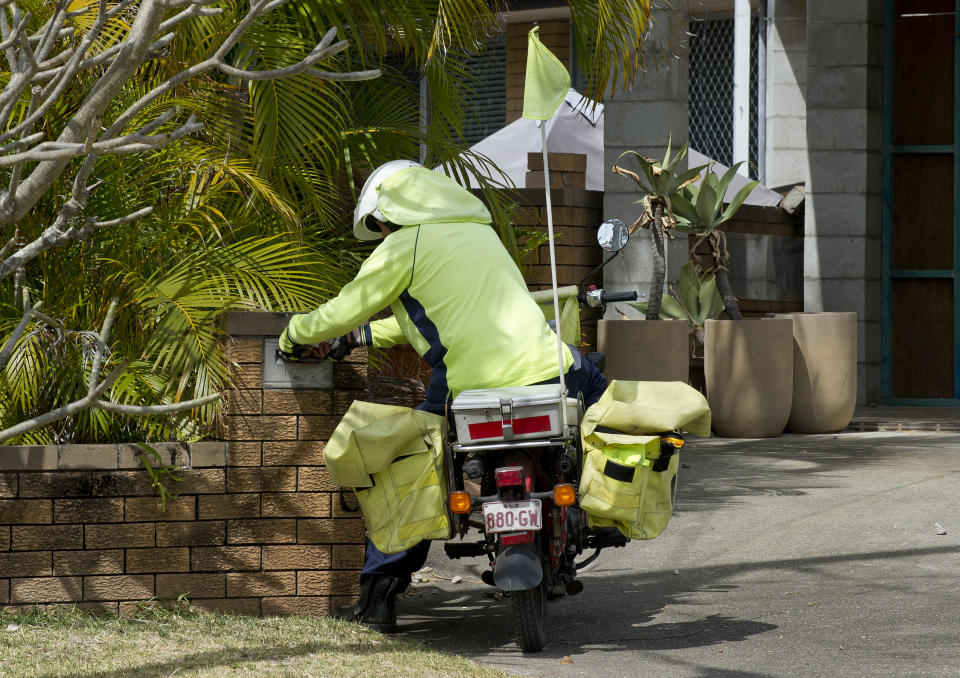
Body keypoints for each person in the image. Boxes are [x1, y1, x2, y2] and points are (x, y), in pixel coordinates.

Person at [278, 160, 606, 632]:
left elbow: (340, 311)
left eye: (381, 223)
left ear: (390, 212)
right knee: (596, 390)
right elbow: (444, 313)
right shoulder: (479, 234)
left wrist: (293, 335)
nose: (383, 231)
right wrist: (360, 338)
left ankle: (378, 596)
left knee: (413, 471)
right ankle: (594, 512)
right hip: (545, 372)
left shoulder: (403, 246)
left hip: (468, 385)